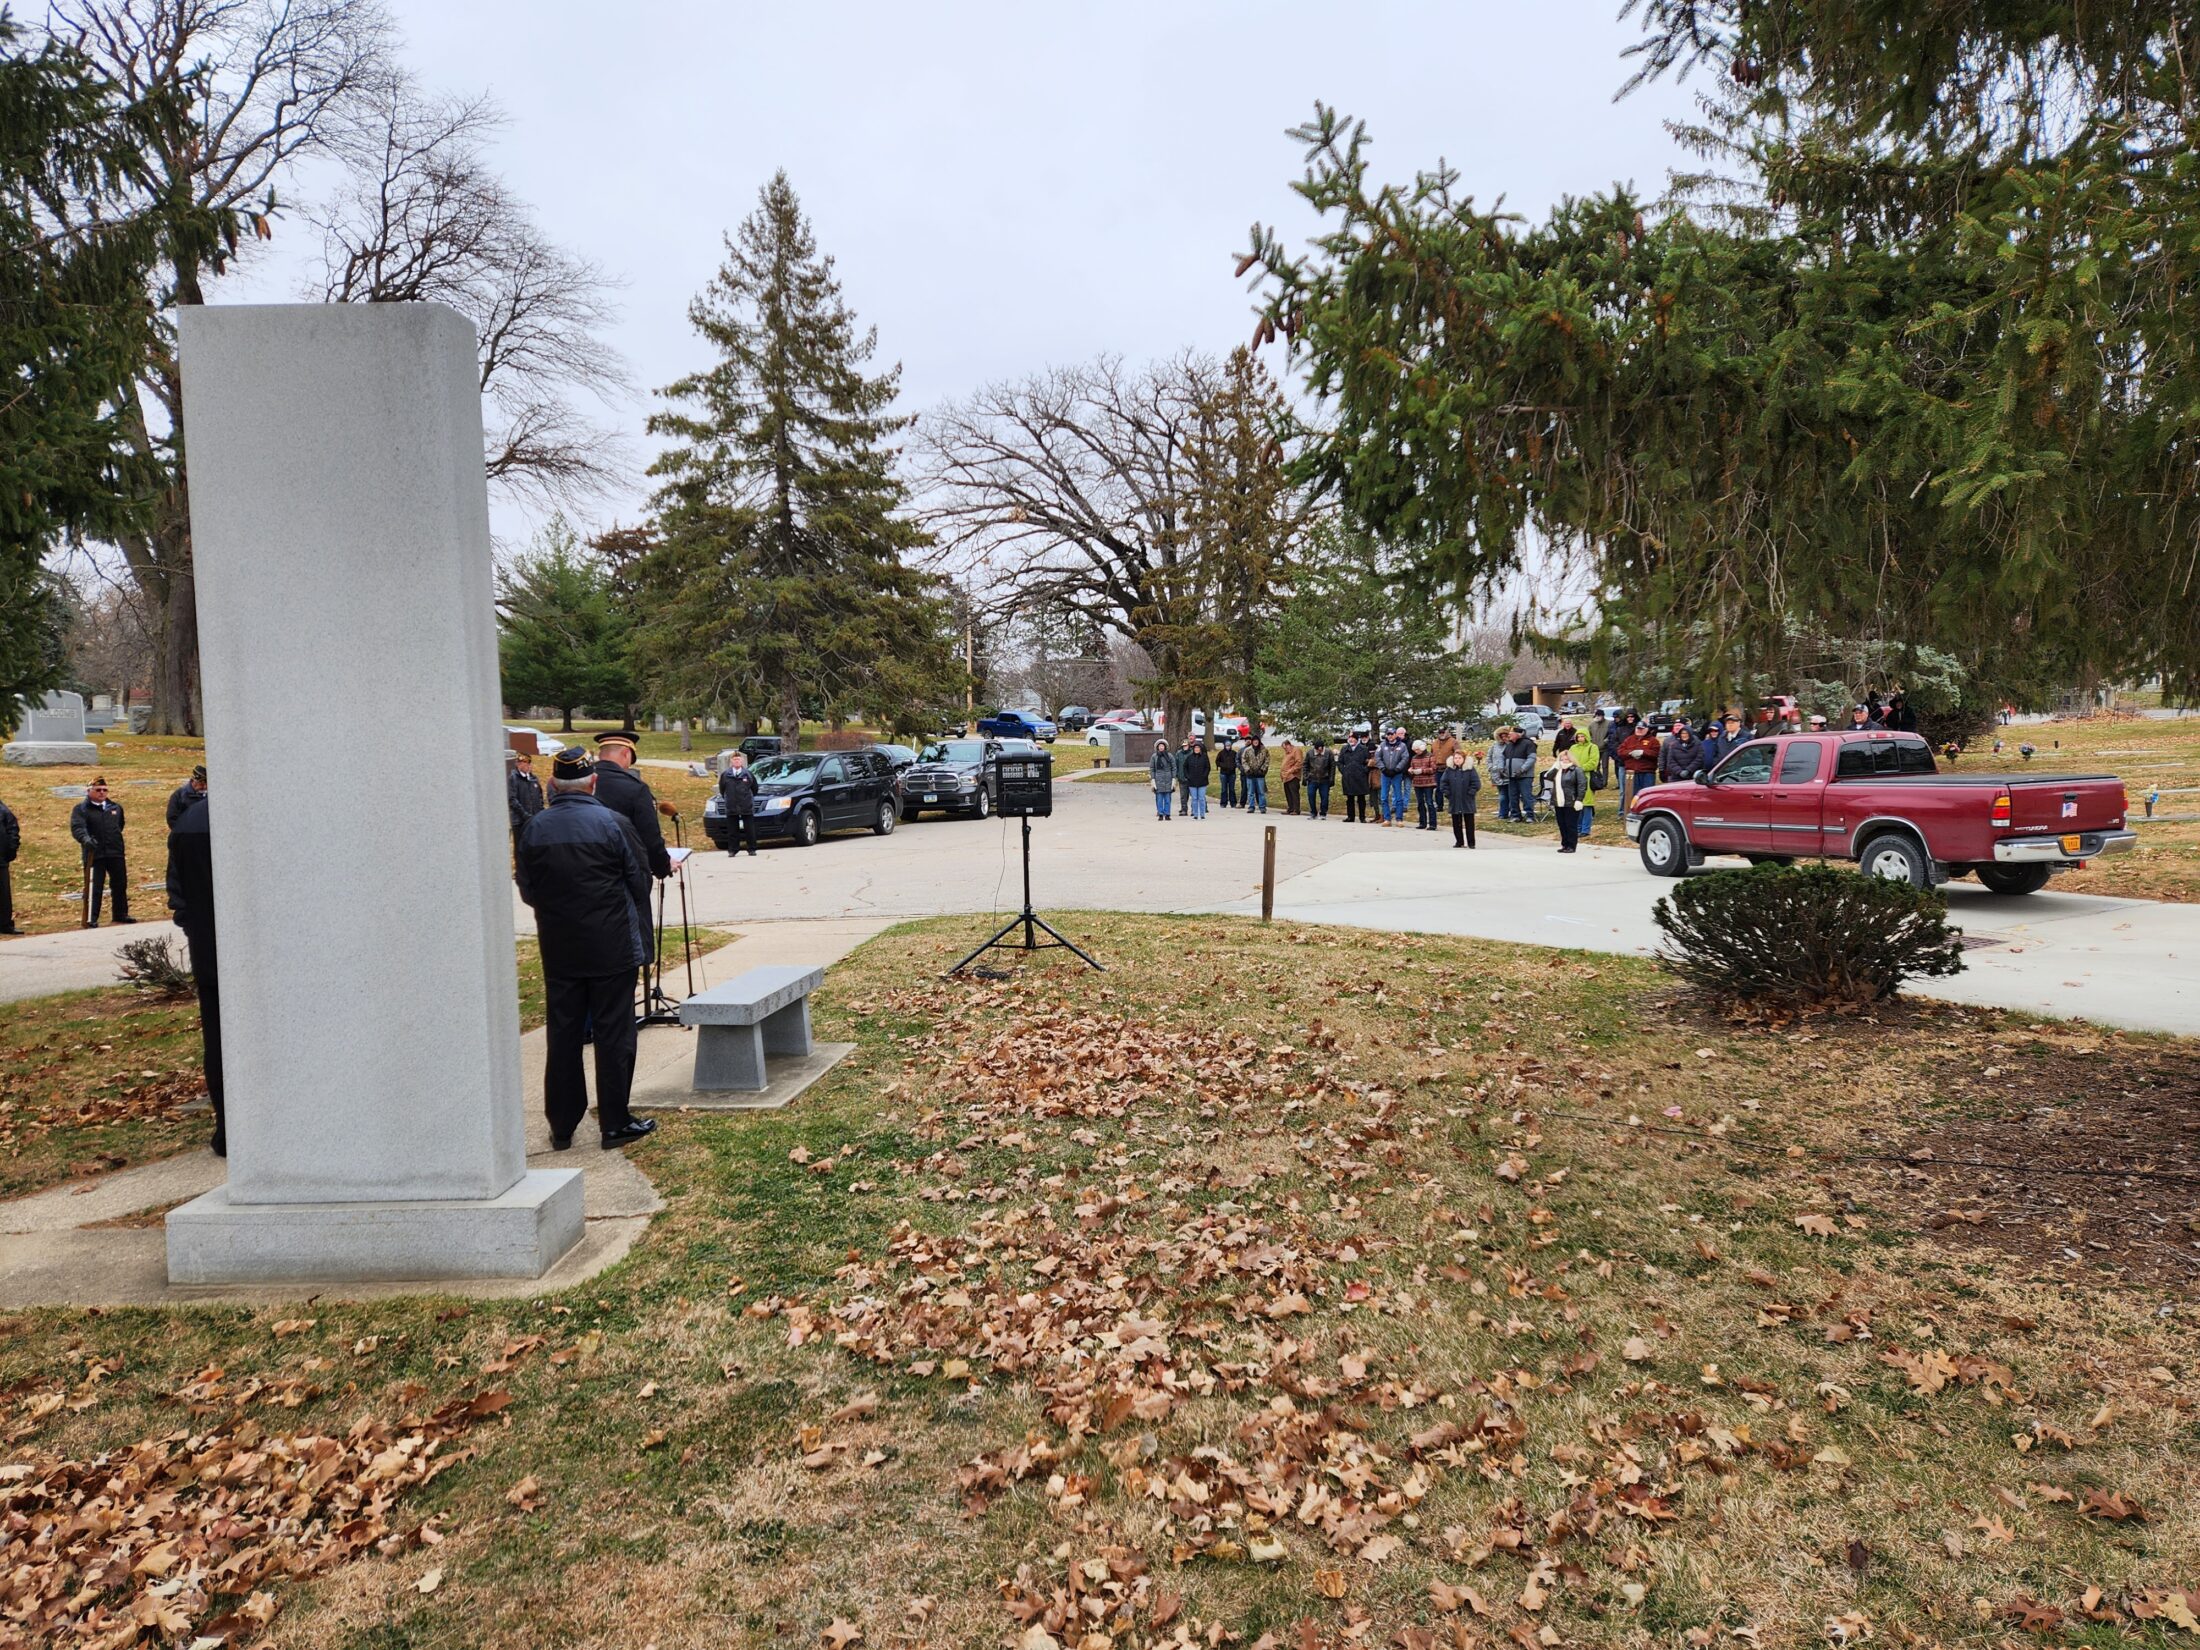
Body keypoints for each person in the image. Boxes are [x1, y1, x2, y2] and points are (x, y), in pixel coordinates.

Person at [515, 748, 657, 1151]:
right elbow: (639, 880)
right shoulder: (613, 824)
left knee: (563, 1033)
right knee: (614, 1033)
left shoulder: (534, 829)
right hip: (611, 945)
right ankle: (614, 1122)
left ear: (554, 786)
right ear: (593, 783)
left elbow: (528, 888)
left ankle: (562, 1124)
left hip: (560, 947)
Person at [165, 789, 224, 1155]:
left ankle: (228, 1129)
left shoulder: (188, 823)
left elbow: (178, 892)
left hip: (210, 951)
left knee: (218, 1040)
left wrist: (194, 929)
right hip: (262, 954)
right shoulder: (252, 818)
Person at [70, 777, 133, 927]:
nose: (102, 793)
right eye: (98, 790)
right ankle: (92, 918)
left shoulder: (115, 808)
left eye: (105, 790)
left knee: (119, 884)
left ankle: (120, 914)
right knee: (94, 887)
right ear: (89, 791)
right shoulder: (81, 809)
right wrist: (86, 839)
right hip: (95, 854)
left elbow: (120, 825)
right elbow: (77, 827)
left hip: (115, 851)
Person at [717, 750, 760, 855]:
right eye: (734, 759)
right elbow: (722, 789)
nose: (736, 761)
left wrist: (747, 798)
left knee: (749, 829)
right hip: (731, 805)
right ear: (731, 761)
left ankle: (751, 848)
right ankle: (733, 850)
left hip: (746, 805)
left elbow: (755, 788)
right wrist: (728, 798)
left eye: (738, 759)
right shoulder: (726, 775)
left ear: (742, 761)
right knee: (732, 830)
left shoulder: (748, 774)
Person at [1549, 746, 1589, 852]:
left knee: (1570, 824)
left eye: (1566, 759)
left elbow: (1582, 785)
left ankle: (1571, 845)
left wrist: (1579, 799)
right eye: (1561, 759)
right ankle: (1564, 844)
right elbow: (1548, 776)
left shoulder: (1576, 770)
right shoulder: (1558, 770)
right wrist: (1556, 767)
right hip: (1558, 801)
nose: (1564, 761)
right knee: (1562, 824)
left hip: (1571, 801)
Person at [1438, 750, 1480, 848]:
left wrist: (1471, 793)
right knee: (1456, 823)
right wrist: (1448, 793)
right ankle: (1459, 841)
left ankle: (1471, 843)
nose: (1457, 760)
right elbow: (1443, 783)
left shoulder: (1470, 770)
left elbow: (1476, 783)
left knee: (1469, 823)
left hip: (1467, 799)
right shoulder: (1449, 770)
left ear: (1464, 759)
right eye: (1455, 758)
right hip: (1454, 800)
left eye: (1459, 758)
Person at [1616, 722, 1662, 810]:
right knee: (1631, 794)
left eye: (1641, 729)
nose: (1639, 731)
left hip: (1647, 772)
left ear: (1646, 729)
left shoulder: (1653, 740)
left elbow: (1656, 753)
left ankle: (1647, 811)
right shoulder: (1629, 739)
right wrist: (1630, 753)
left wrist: (1643, 752)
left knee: (1648, 794)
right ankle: (1631, 811)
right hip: (1632, 772)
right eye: (1638, 728)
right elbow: (1620, 751)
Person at [1376, 727, 1412, 825]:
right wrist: (1383, 768)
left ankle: (1399, 819)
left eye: (1392, 734)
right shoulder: (1382, 745)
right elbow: (1378, 757)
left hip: (1397, 774)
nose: (1390, 736)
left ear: (1395, 734)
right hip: (1385, 774)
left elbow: (1405, 758)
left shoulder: (1402, 745)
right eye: (1388, 734)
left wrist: (1398, 769)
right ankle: (1387, 819)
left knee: (1398, 796)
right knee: (1384, 797)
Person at [1338, 732, 1372, 824]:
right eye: (1350, 738)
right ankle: (1350, 816)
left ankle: (1362, 817)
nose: (1351, 740)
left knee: (1361, 798)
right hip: (1348, 777)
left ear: (1357, 739)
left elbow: (1368, 762)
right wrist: (1344, 771)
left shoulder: (1363, 749)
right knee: (1350, 798)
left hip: (1360, 777)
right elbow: (1340, 762)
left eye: (1353, 738)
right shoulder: (1345, 748)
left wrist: (1364, 770)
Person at [1408, 738, 1439, 830]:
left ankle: (1433, 824)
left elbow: (1433, 769)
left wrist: (1422, 771)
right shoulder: (1414, 758)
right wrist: (1411, 770)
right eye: (1415, 750)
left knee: (1429, 802)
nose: (1416, 751)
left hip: (1428, 783)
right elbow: (1412, 767)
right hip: (1417, 783)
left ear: (1422, 747)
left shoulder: (1430, 756)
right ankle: (1422, 822)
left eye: (1417, 749)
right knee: (1420, 803)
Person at [0, 790, 19, 934]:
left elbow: (13, 828)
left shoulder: (2, 809)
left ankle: (5, 925)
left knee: (4, 894)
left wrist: (11, 850)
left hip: (1, 859)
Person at [167, 764, 208, 829]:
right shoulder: (179, 795)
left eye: (207, 784)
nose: (205, 787)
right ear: (194, 781)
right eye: (202, 784)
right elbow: (172, 819)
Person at [1303, 737, 1335, 819]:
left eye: (1321, 749)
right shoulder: (1310, 753)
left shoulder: (1328, 753)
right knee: (1311, 795)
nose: (1319, 751)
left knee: (1324, 797)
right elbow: (1305, 765)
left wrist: (1331, 778)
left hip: (1324, 779)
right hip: (1312, 778)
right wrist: (1305, 776)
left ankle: (1323, 813)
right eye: (1318, 750)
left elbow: (1332, 766)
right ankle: (1313, 812)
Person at [1181, 738, 1211, 819]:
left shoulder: (1204, 757)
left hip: (1202, 781)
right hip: (1192, 781)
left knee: (1201, 798)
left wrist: (1204, 775)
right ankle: (1195, 813)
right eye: (1195, 748)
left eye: (1198, 748)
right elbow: (1185, 767)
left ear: (1200, 749)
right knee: (1194, 798)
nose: (1197, 749)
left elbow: (1208, 767)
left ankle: (1202, 814)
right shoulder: (1190, 757)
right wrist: (1188, 776)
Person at [1240, 734, 1270, 813]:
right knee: (1250, 792)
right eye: (1254, 740)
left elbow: (1267, 760)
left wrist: (1263, 769)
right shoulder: (1247, 750)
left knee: (1261, 792)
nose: (1255, 742)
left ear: (1259, 741)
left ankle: (1262, 807)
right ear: (1252, 742)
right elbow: (1243, 760)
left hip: (1260, 775)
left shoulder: (1264, 750)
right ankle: (1251, 806)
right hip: (1250, 775)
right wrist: (1247, 769)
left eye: (1257, 740)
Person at [1149, 737, 1175, 819]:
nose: (1161, 747)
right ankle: (1160, 813)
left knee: (1167, 798)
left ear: (1165, 747)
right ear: (1157, 747)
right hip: (1158, 779)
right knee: (1159, 798)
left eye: (1162, 746)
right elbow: (1152, 768)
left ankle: (1167, 813)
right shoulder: (1154, 757)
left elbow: (1174, 767)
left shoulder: (1170, 756)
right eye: (1159, 746)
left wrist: (1173, 777)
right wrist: (1153, 779)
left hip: (1168, 779)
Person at [1279, 736, 1304, 815]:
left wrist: (1291, 770)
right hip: (1286, 777)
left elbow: (1299, 762)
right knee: (1288, 793)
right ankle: (1290, 808)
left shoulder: (1296, 750)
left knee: (1294, 793)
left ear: (1289, 745)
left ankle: (1296, 809)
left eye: (1285, 748)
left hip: (1293, 776)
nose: (1285, 750)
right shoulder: (1287, 753)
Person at [1214, 737, 1239, 809]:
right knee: (1224, 789)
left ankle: (1233, 802)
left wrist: (1233, 766)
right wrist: (1223, 765)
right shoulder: (1221, 753)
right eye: (1226, 745)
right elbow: (1217, 761)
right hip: (1223, 773)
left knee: (1232, 789)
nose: (1228, 747)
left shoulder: (1234, 753)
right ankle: (1223, 803)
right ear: (1224, 746)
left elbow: (1237, 761)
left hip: (1232, 773)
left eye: (1229, 745)